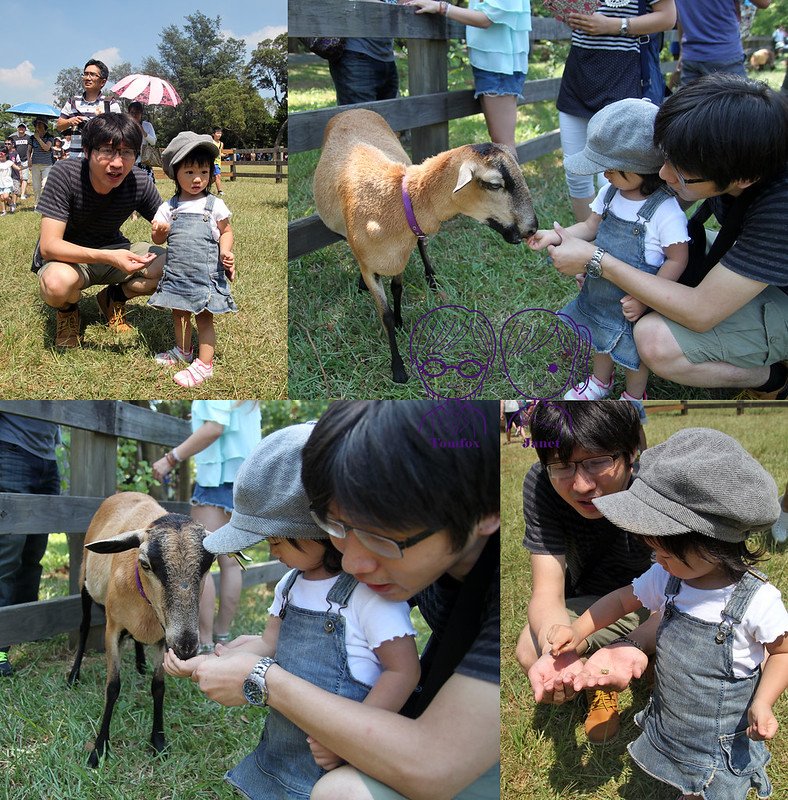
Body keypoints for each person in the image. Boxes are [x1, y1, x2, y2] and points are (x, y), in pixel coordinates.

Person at [166, 400, 501, 800]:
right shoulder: (402, 563)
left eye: (382, 537)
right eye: (336, 526)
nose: (352, 562)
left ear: (484, 511)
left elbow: (433, 761)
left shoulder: (501, 588)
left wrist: (262, 679)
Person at [545, 428, 788, 800]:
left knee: (711, 785)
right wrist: (578, 631)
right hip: (673, 714)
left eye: (668, 554)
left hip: (718, 734)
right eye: (655, 553)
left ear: (714, 543)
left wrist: (763, 701)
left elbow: (782, 651)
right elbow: (622, 600)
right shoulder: (668, 575)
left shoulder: (757, 601)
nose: (658, 562)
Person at [545, 74, 788, 398]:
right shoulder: (728, 139)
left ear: (744, 178)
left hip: (780, 291)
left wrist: (598, 261)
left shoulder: (779, 208)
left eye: (682, 174)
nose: (662, 175)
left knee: (654, 339)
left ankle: (771, 379)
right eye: (665, 157)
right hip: (752, 254)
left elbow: (700, 312)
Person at [530, 98, 690, 401]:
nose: (605, 174)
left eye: (613, 169)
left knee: (634, 353)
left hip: (636, 297)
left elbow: (677, 259)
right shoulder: (611, 192)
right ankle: (600, 382)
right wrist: (554, 235)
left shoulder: (665, 211)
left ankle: (633, 395)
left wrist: (645, 298)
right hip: (601, 288)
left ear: (644, 170)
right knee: (599, 337)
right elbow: (591, 227)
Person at [516, 400, 653, 744]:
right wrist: (559, 649)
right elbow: (546, 593)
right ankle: (598, 677)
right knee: (531, 650)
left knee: (681, 654)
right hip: (590, 601)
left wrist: (632, 643)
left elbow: (684, 596)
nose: (581, 485)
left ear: (632, 452)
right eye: (561, 466)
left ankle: (618, 670)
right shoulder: (541, 484)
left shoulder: (656, 486)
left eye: (597, 462)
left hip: (657, 603)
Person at [32, 113, 165, 348]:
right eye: (106, 150)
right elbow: (49, 246)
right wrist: (110, 257)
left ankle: (113, 298)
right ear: (86, 151)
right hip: (68, 258)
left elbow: (170, 225)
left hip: (114, 247)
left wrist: (213, 251)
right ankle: (68, 311)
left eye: (126, 152)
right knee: (56, 284)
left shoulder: (139, 181)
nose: (117, 163)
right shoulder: (65, 174)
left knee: (174, 266)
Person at [152, 401, 262, 652]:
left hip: (216, 480)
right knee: (231, 563)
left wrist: (171, 458)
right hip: (245, 479)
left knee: (200, 559)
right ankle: (223, 636)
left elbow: (214, 428)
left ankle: (205, 639)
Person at [555, 0, 676, 222]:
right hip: (579, 74)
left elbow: (668, 17)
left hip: (624, 75)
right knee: (575, 171)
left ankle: (622, 242)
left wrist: (615, 25)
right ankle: (587, 241)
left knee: (618, 173)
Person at [148, 132, 236, 388]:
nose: (198, 179)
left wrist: (225, 251)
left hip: (205, 275)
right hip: (177, 274)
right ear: (175, 173)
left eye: (204, 172)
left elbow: (226, 231)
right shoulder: (170, 207)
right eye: (189, 172)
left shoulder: (214, 205)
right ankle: (183, 350)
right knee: (179, 314)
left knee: (204, 318)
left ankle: (205, 364)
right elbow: (157, 234)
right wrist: (159, 232)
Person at [407, 0, 531, 157]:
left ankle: (514, 182)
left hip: (500, 67)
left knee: (503, 146)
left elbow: (486, 18)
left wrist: (441, 8)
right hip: (493, 65)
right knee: (500, 145)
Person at [0, 412, 60, 677]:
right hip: (10, 448)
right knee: (7, 552)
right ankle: (1, 642)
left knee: (34, 550)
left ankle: (24, 626)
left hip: (48, 457)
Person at [674, 0, 771, 87]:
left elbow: (680, 17)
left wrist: (682, 51)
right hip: (724, 54)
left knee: (690, 105)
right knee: (739, 105)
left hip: (691, 56)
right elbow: (764, 2)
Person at [328, 0, 402, 107]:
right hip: (355, 55)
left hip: (386, 56)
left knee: (387, 118)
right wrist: (391, 7)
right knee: (360, 119)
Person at [56, 59, 121, 159]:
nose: (87, 78)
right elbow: (59, 125)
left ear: (103, 82)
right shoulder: (72, 102)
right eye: (86, 74)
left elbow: (119, 132)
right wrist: (70, 121)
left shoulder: (110, 104)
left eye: (92, 74)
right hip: (75, 160)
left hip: (100, 160)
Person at [127, 101, 157, 182]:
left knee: (147, 184)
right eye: (132, 112)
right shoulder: (126, 126)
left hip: (144, 160)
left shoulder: (147, 125)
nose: (134, 115)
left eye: (137, 112)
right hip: (129, 160)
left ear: (141, 114)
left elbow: (153, 142)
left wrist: (143, 132)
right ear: (128, 113)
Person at [27, 117, 55, 201]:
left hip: (47, 164)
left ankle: (46, 203)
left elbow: (46, 148)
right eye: (36, 124)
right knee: (36, 186)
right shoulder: (32, 138)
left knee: (45, 184)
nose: (38, 125)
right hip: (35, 164)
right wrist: (29, 160)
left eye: (40, 123)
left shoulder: (50, 137)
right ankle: (37, 204)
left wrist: (38, 138)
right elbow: (28, 150)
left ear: (45, 125)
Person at [10, 123, 30, 201]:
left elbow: (30, 148)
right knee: (15, 177)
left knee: (24, 178)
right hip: (15, 161)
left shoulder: (28, 138)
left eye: (23, 127)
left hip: (25, 159)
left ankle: (22, 194)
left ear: (25, 129)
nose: (21, 129)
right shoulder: (13, 138)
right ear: (17, 129)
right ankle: (14, 192)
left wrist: (30, 158)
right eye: (20, 127)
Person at [0, 147, 21, 216]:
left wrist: (24, 167)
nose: (0, 155)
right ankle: (4, 211)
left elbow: (18, 168)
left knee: (6, 196)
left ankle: (11, 203)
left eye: (1, 153)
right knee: (2, 198)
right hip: (0, 182)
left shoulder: (9, 162)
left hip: (7, 182)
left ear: (5, 154)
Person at [211, 127, 225, 196]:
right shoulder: (211, 142)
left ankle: (204, 186)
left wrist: (224, 155)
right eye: (217, 133)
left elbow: (220, 153)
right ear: (213, 134)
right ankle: (220, 191)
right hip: (212, 162)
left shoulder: (221, 144)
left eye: (220, 133)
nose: (219, 135)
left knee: (213, 178)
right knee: (218, 176)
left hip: (218, 162)